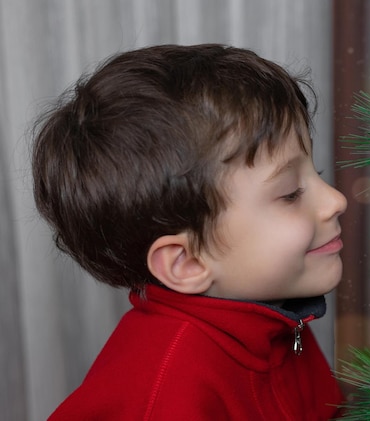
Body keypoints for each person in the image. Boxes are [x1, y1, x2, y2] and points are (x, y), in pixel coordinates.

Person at [32, 44, 347, 420]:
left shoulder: (276, 314)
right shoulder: (170, 395)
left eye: (318, 173)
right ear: (187, 262)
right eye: (290, 193)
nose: (335, 200)